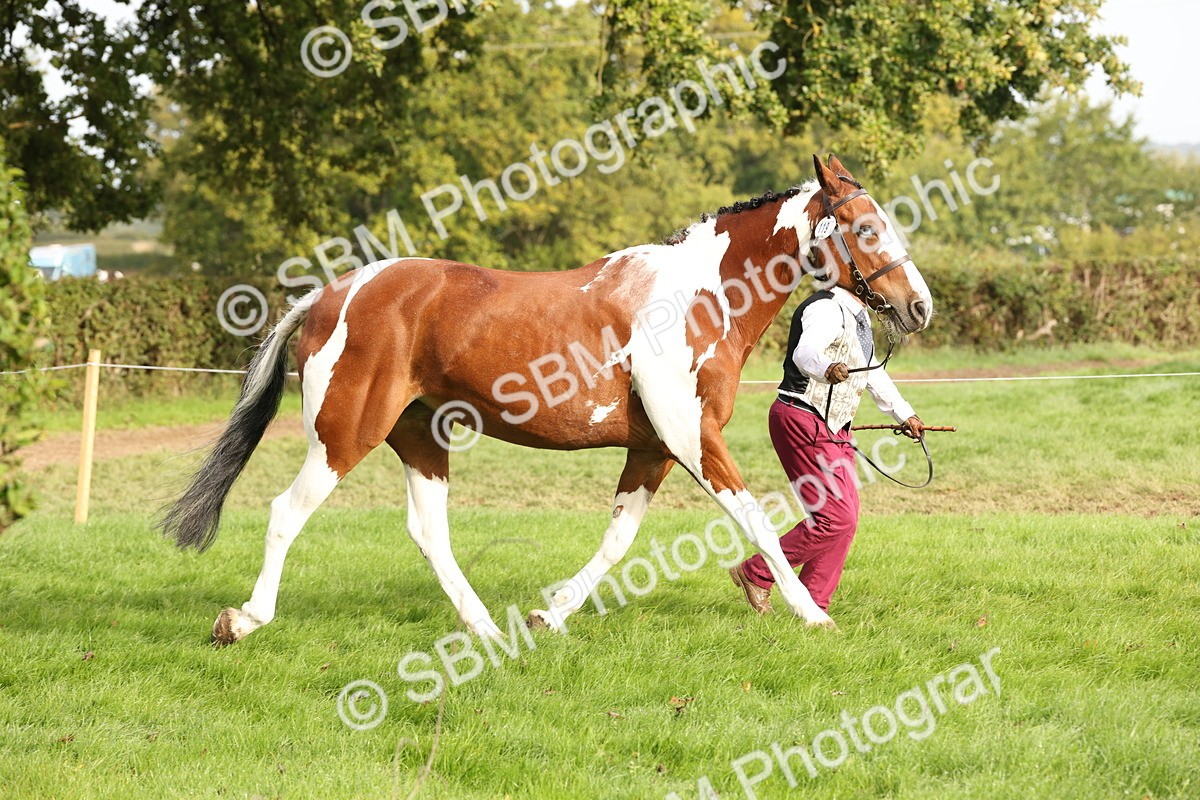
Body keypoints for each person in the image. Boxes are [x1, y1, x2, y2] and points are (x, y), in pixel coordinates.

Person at [729, 284, 924, 621]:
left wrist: (905, 414)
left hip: (834, 427)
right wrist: (825, 367)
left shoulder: (857, 315)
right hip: (803, 419)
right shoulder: (825, 308)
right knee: (836, 518)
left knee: (845, 521)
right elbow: (804, 353)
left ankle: (814, 606)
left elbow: (871, 371)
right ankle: (756, 572)